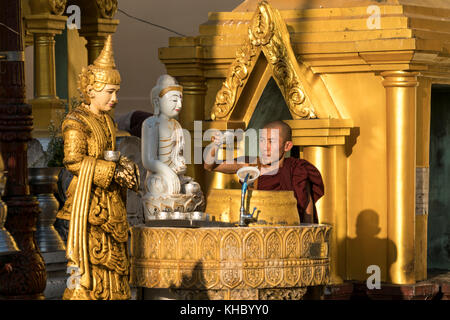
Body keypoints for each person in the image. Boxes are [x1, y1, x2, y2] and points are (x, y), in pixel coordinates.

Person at [57, 35, 139, 300]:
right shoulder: (76, 121)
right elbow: (73, 160)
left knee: (114, 262)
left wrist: (123, 167)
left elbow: (109, 155)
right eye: (110, 92)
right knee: (88, 262)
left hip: (109, 200)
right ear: (91, 90)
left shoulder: (106, 121)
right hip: (87, 203)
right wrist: (109, 171)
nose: (114, 98)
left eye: (116, 92)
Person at [204, 120, 324, 223]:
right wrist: (216, 144)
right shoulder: (251, 165)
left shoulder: (297, 169)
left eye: (271, 141)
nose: (265, 147)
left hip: (287, 235)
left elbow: (307, 210)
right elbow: (210, 166)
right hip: (255, 232)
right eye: (262, 141)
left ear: (287, 146)